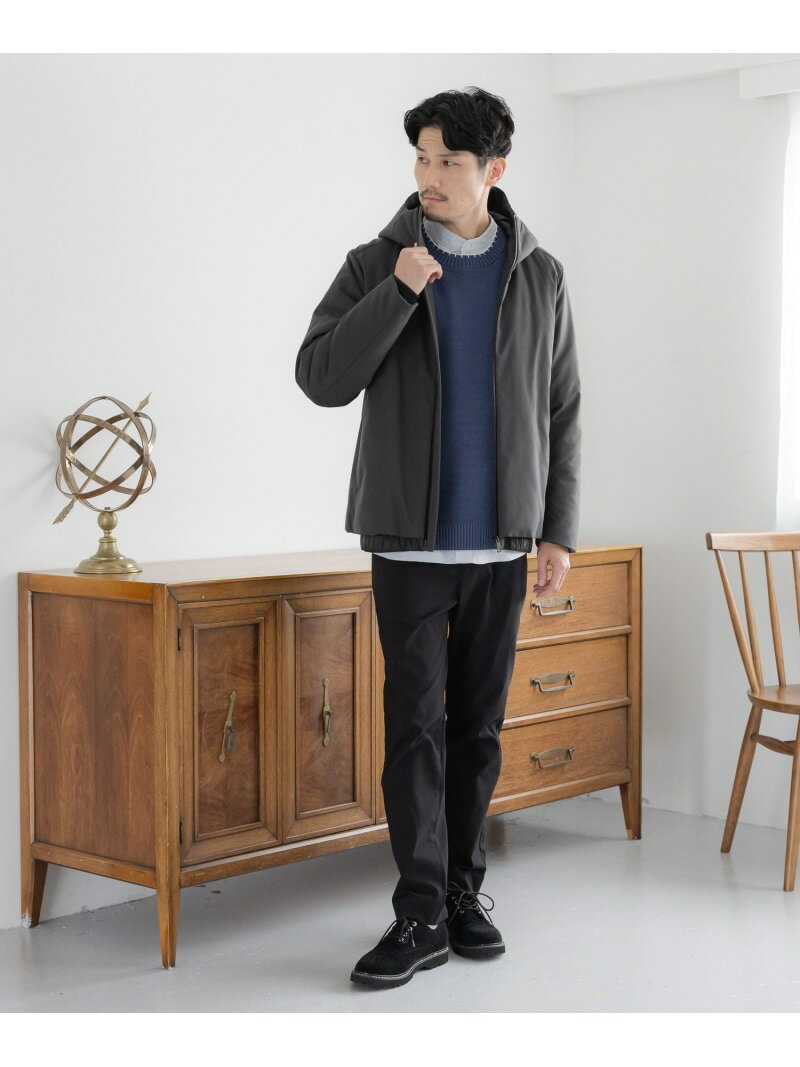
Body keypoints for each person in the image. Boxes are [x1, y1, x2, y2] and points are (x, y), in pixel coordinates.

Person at [296, 86, 581, 989]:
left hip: (502, 545)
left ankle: (462, 893)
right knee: (414, 732)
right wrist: (398, 291)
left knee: (479, 731)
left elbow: (563, 408)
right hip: (409, 547)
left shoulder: (540, 274)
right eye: (420, 158)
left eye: (447, 160)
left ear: (493, 169)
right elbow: (320, 376)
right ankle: (418, 912)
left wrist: (558, 530)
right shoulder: (376, 262)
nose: (429, 175)